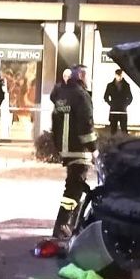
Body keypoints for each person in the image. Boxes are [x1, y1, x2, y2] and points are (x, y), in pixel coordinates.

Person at [51, 64, 98, 239]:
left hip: (66, 149)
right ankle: (63, 226)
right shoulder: (81, 96)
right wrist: (94, 148)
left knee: (74, 188)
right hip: (79, 150)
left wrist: (59, 147)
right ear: (81, 76)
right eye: (87, 75)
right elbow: (86, 124)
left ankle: (70, 226)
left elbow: (55, 122)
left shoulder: (61, 95)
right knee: (73, 191)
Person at [104, 67, 133, 134]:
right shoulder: (110, 85)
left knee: (123, 130)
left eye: (120, 75)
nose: (119, 77)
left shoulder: (126, 85)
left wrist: (125, 104)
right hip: (115, 110)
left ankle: (123, 140)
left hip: (122, 111)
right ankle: (115, 140)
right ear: (115, 75)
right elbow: (105, 97)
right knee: (113, 130)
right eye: (118, 75)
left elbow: (130, 97)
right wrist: (111, 104)